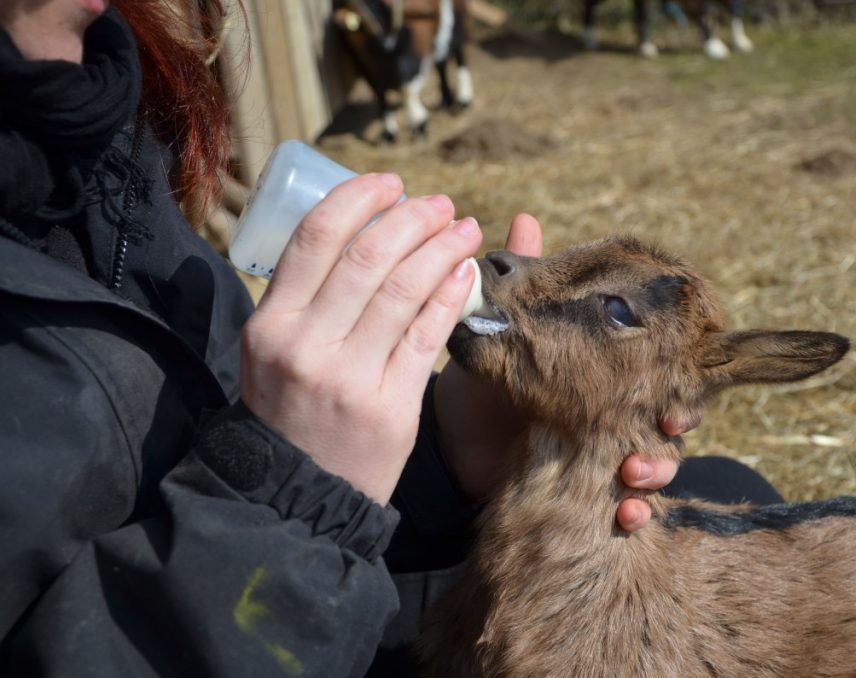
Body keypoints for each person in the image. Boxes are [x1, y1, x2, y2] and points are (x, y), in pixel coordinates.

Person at [0, 1, 717, 675]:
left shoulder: (81, 125)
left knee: (723, 490)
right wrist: (293, 493)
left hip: (277, 602)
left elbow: (203, 431)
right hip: (246, 619)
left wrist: (438, 459)